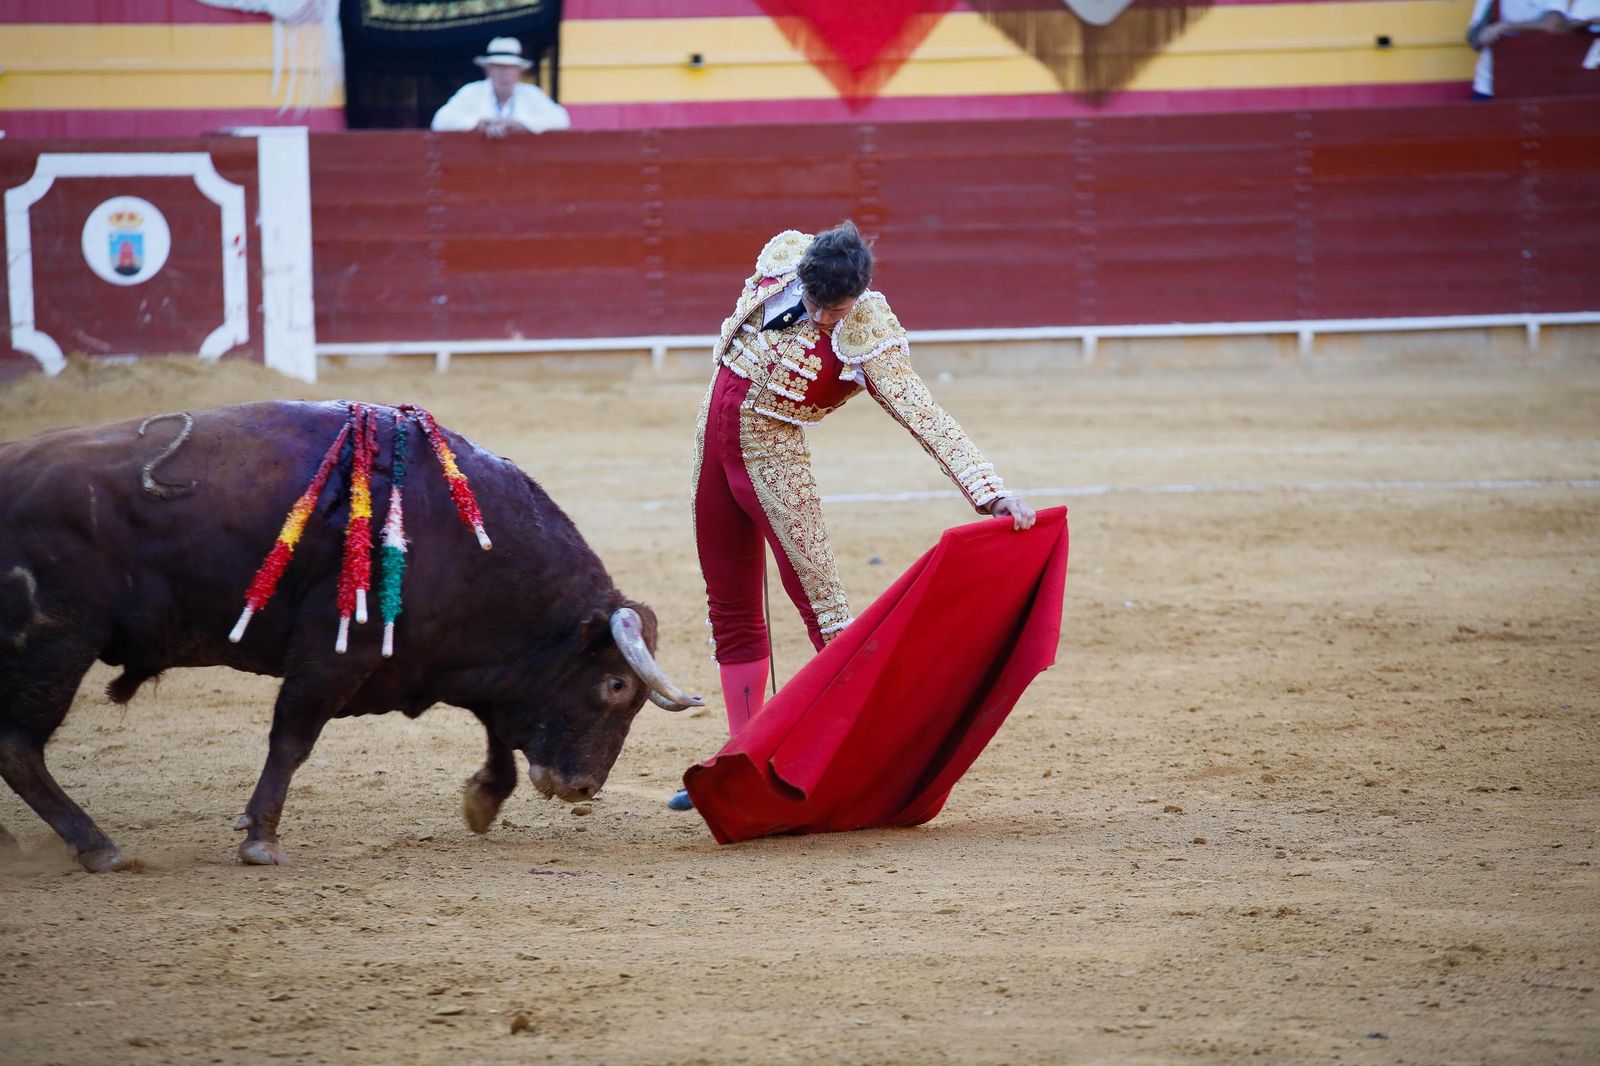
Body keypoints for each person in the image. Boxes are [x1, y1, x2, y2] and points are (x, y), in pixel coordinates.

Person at [670, 221, 1037, 811]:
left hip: (774, 458)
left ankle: (865, 758)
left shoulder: (869, 331)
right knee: (730, 607)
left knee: (827, 614)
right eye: (817, 305)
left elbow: (924, 413)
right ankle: (738, 758)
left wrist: (989, 492)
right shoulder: (784, 256)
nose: (823, 320)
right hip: (709, 447)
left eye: (835, 310)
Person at [430, 37, 571, 137]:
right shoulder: (471, 92)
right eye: (498, 67)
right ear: (487, 70)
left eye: (510, 68)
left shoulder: (531, 94)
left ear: (519, 71)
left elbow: (561, 120)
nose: (505, 74)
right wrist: (482, 123)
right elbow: (440, 120)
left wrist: (518, 125)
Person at [1467, 0, 1600, 97]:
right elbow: (1474, 38)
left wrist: (1506, 27)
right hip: (1490, 85)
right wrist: (1483, 36)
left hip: (1537, 83)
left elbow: (1554, 25)